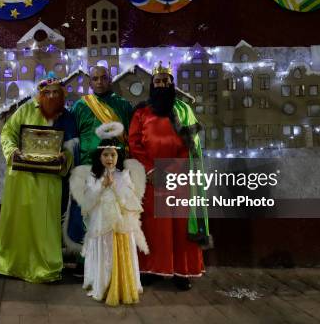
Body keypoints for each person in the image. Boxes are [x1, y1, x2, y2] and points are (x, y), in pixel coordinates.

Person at [0, 74, 76, 283]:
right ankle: (6, 263)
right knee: (15, 221)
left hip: (48, 181)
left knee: (45, 225)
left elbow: (71, 147)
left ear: (61, 95)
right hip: (22, 178)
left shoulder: (67, 117)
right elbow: (8, 133)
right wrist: (12, 152)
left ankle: (44, 267)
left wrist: (65, 158)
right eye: (47, 92)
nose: (51, 96)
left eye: (55, 92)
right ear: (40, 94)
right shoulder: (25, 110)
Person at [128, 62, 212, 291]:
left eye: (166, 81)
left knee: (179, 227)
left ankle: (181, 271)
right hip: (151, 179)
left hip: (179, 178)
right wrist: (151, 170)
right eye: (158, 81)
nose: (162, 84)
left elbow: (190, 146)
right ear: (152, 85)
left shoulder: (185, 110)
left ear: (172, 84)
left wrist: (170, 169)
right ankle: (152, 268)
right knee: (153, 227)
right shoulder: (141, 112)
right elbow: (134, 143)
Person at [69, 122, 147, 306]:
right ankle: (102, 285)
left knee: (120, 253)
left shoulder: (124, 175)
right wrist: (102, 186)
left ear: (118, 156)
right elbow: (87, 202)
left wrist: (114, 186)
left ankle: (121, 285)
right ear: (99, 156)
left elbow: (129, 199)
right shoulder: (93, 177)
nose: (109, 158)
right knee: (103, 253)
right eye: (106, 154)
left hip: (120, 225)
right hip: (100, 224)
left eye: (113, 154)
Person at [64, 66, 134, 257]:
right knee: (85, 215)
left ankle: (114, 262)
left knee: (112, 215)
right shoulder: (80, 106)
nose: (99, 82)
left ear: (110, 80)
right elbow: (72, 138)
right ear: (90, 82)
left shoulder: (123, 105)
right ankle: (84, 260)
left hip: (114, 169)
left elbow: (131, 137)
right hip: (87, 169)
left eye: (103, 78)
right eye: (95, 78)